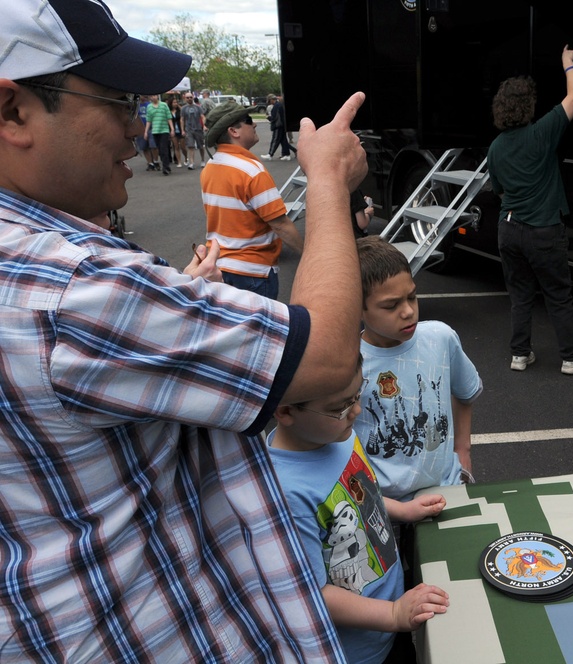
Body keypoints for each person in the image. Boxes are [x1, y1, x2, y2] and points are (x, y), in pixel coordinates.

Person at [0, 0, 369, 658]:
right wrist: (331, 184)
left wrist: (173, 293)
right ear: (12, 111)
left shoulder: (197, 180)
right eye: (118, 101)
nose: (137, 129)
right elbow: (330, 357)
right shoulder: (77, 286)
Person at [268, 353, 450, 664]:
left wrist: (402, 510)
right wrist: (393, 613)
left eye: (357, 395)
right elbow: (312, 594)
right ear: (285, 411)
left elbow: (361, 497)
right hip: (360, 649)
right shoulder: (286, 492)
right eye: (339, 407)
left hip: (393, 611)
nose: (357, 411)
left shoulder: (337, 435)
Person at [487, 45, 573, 376]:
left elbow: (499, 189)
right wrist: (566, 60)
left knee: (520, 296)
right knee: (558, 296)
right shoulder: (543, 132)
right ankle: (571, 359)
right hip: (544, 230)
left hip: (509, 229)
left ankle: (520, 355)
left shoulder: (496, 146)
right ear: (529, 105)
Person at [354, 236, 482, 504]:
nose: (408, 311)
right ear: (356, 306)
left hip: (446, 488)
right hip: (385, 502)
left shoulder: (441, 337)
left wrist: (463, 451)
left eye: (412, 296)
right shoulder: (349, 362)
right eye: (391, 305)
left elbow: (466, 392)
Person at [201, 101, 304, 298]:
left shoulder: (210, 166)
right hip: (253, 272)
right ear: (234, 131)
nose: (255, 124)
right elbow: (280, 224)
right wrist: (307, 254)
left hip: (219, 265)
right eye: (249, 121)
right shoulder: (251, 170)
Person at [263, 93, 297, 161]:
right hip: (282, 125)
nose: (269, 103)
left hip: (278, 125)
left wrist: (269, 118)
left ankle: (270, 154)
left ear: (272, 100)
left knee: (275, 140)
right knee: (283, 141)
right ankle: (287, 154)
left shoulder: (276, 106)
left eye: (269, 101)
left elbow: (275, 117)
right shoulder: (279, 105)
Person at [144, 93, 173, 175]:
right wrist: (146, 132)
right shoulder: (149, 107)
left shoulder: (164, 105)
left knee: (164, 149)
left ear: (157, 96)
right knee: (160, 150)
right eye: (151, 96)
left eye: (155, 95)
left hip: (164, 130)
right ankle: (165, 164)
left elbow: (169, 117)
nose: (153, 97)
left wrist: (172, 129)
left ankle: (166, 167)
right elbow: (148, 120)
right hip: (155, 131)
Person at [180, 91, 207, 168]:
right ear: (185, 98)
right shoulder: (183, 108)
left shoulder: (198, 107)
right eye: (187, 98)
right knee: (190, 146)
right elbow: (182, 119)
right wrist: (182, 130)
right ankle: (191, 162)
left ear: (193, 98)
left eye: (190, 97)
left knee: (201, 146)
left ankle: (202, 160)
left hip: (198, 129)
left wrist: (204, 125)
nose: (189, 99)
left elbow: (202, 116)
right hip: (189, 129)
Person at [170, 96, 188, 168]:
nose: (175, 104)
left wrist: (183, 129)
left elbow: (183, 119)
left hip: (180, 130)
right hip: (173, 130)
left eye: (176, 102)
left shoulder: (180, 111)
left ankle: (186, 158)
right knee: (176, 146)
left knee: (183, 147)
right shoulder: (169, 111)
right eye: (174, 102)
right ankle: (179, 161)